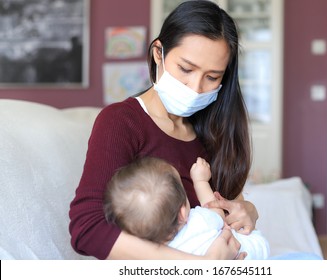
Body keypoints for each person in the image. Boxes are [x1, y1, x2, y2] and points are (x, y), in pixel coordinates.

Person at [69, 0, 258, 260]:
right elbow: (87, 229)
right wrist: (201, 267)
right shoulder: (121, 121)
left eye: (212, 77)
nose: (195, 87)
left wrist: (248, 210)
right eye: (186, 69)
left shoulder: (212, 131)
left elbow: (226, 209)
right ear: (159, 52)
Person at [104, 157, 269, 260]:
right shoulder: (199, 221)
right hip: (250, 252)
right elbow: (215, 209)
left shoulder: (151, 253)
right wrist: (200, 181)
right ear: (183, 213)